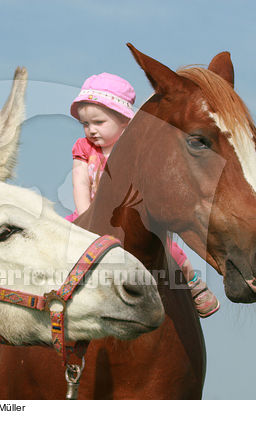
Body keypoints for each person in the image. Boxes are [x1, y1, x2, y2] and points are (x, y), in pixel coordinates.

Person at [67, 73, 219, 317]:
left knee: (171, 251)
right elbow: (80, 182)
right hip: (93, 213)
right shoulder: (85, 148)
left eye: (98, 122)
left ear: (124, 121)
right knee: (61, 244)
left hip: (132, 216)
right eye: (86, 124)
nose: (91, 130)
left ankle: (192, 284)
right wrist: (85, 216)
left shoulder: (134, 149)